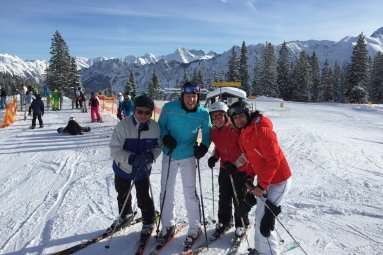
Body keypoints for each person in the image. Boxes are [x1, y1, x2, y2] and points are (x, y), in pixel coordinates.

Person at [227, 101, 292, 255]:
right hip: (267, 180)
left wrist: (261, 186)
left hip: (280, 180)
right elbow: (252, 159)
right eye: (235, 118)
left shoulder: (263, 131)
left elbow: (274, 161)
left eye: (241, 116)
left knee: (265, 223)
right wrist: (250, 177)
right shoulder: (244, 133)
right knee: (259, 217)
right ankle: (261, 249)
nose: (239, 120)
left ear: (248, 114)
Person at [157, 82, 211, 246]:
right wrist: (165, 137)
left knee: (190, 192)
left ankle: (195, 227)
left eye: (194, 96)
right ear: (182, 95)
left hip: (188, 156)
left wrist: (204, 147)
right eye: (188, 96)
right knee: (166, 190)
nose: (191, 99)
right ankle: (167, 226)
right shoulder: (169, 108)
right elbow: (161, 127)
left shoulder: (203, 113)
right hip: (170, 153)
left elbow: (207, 133)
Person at [109, 95, 161, 237]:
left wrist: (151, 156)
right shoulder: (123, 126)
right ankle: (125, 214)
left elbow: (158, 146)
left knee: (143, 195)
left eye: (147, 112)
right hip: (123, 168)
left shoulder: (155, 128)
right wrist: (131, 158)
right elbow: (115, 149)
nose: (143, 115)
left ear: (151, 112)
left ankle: (149, 220)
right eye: (140, 112)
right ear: (134, 110)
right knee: (122, 193)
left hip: (143, 169)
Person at [207, 101, 253, 239]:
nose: (217, 119)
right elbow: (219, 148)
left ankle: (241, 223)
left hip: (240, 170)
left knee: (239, 197)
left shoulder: (236, 130)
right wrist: (214, 157)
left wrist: (235, 164)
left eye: (220, 115)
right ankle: (224, 221)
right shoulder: (214, 131)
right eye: (213, 117)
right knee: (224, 197)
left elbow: (247, 153)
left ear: (226, 116)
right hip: (225, 169)